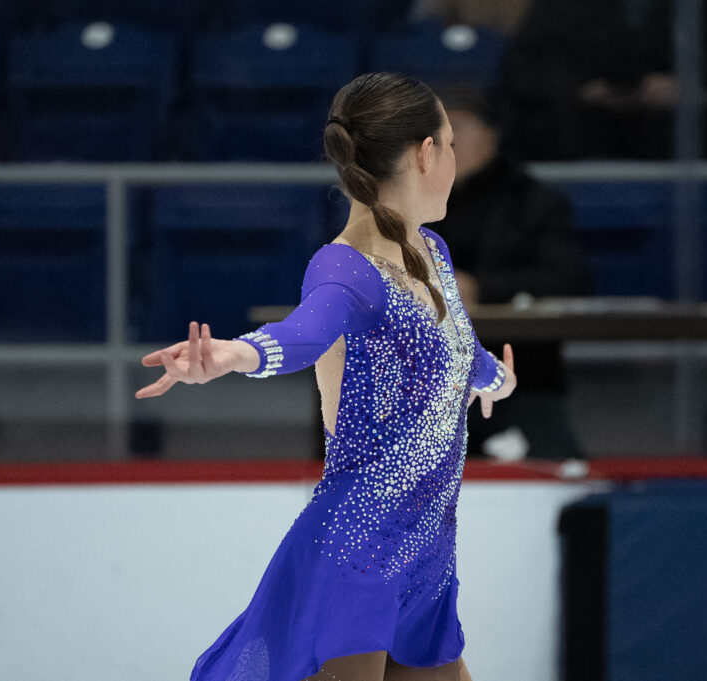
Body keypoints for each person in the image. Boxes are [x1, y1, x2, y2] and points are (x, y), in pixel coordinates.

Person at [136, 72, 517, 681]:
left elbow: (459, 351)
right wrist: (235, 355)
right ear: (425, 153)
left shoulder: (434, 254)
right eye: (449, 143)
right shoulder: (346, 268)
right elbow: (303, 334)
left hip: (426, 553)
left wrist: (497, 380)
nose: (454, 158)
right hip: (359, 550)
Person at [433, 89, 591, 461]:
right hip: (427, 382)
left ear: (493, 134)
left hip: (523, 376)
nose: (449, 140)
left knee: (557, 472)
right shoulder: (404, 204)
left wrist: (480, 289)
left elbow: (569, 279)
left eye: (460, 126)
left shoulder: (534, 202)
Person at [494, 0, 707, 160]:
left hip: (676, 126)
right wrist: (580, 90)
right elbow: (528, 63)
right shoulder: (565, 7)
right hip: (584, 124)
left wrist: (687, 85)